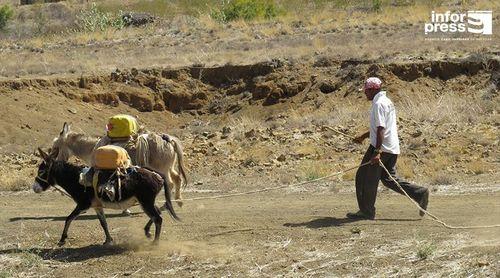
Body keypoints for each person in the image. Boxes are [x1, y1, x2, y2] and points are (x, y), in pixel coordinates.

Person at [347, 77, 429, 220]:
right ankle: (419, 193)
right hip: (391, 146)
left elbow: (381, 128)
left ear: (372, 90)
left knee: (365, 178)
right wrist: (364, 136)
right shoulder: (386, 101)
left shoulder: (378, 104)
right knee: (388, 179)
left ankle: (367, 211)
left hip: (382, 148)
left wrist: (377, 152)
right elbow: (382, 126)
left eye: (366, 91)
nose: (365, 93)